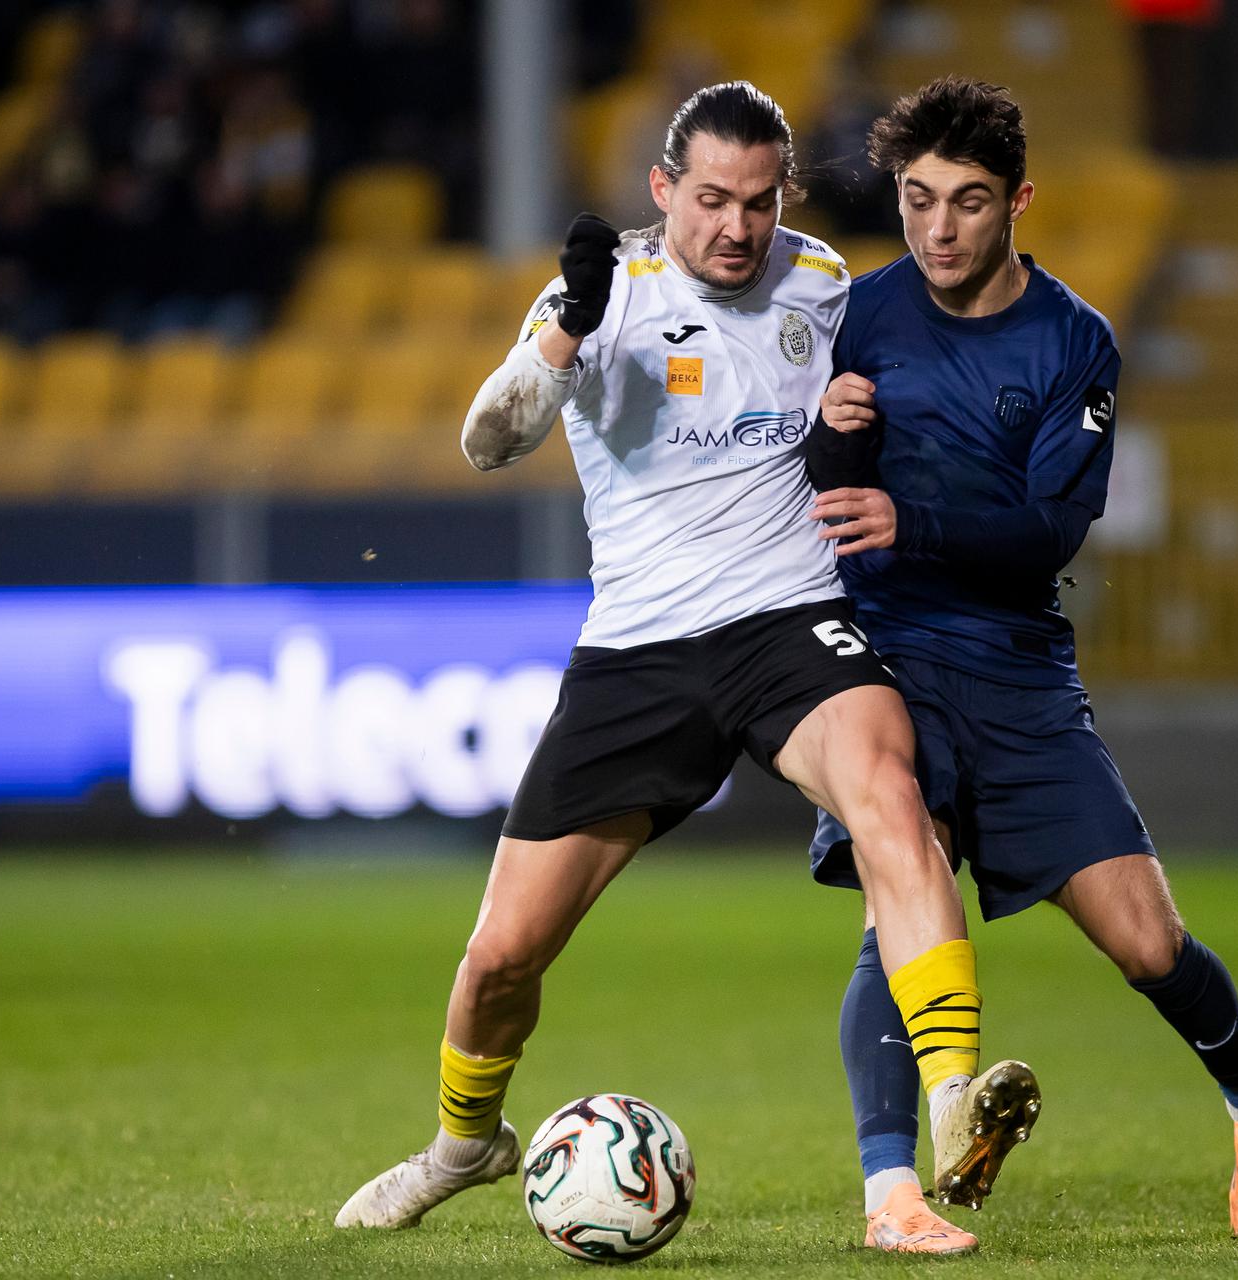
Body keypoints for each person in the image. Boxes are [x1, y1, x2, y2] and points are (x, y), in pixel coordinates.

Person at [333, 81, 1038, 1232]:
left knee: (891, 799)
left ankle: (955, 1097)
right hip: (639, 650)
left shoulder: (822, 284)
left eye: (759, 202)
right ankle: (465, 1143)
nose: (736, 228)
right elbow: (486, 441)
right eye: (711, 199)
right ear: (664, 191)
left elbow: (871, 411)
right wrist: (565, 321)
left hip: (787, 621)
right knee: (502, 957)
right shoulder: (600, 294)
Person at [803, 77, 1238, 1254]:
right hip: (887, 666)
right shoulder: (860, 315)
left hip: (1019, 671)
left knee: (1146, 941)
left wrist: (910, 519)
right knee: (898, 904)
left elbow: (1049, 531)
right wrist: (828, 429)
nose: (938, 229)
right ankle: (895, 1189)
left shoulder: (1076, 341)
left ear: (1019, 199)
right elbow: (815, 485)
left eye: (967, 203)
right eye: (918, 200)